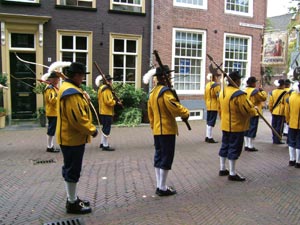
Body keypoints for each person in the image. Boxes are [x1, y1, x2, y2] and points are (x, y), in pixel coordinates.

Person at [56, 62, 98, 214]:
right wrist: (91, 129)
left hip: (70, 137)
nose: (83, 79)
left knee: (71, 168)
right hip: (72, 138)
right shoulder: (71, 92)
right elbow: (77, 118)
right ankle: (72, 203)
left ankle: (72, 198)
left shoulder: (72, 89)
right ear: (76, 76)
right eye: (81, 76)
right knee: (73, 169)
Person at [147, 65, 189, 196]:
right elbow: (174, 107)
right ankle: (162, 187)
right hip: (167, 130)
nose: (170, 78)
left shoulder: (153, 92)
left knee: (159, 156)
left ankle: (160, 185)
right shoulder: (165, 92)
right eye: (169, 76)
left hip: (157, 130)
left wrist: (154, 126)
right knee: (166, 157)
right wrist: (185, 113)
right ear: (164, 77)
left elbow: (151, 114)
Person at [218, 71, 257, 182]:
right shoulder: (239, 94)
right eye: (239, 79)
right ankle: (232, 172)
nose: (240, 81)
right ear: (236, 81)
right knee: (234, 148)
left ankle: (222, 168)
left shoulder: (223, 92)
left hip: (225, 124)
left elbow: (219, 109)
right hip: (237, 125)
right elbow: (245, 111)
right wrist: (254, 111)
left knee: (225, 145)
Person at [98, 74, 121, 151]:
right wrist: (115, 102)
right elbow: (108, 102)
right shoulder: (106, 89)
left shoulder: (101, 88)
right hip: (106, 112)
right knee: (107, 128)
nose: (111, 82)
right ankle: (105, 145)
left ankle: (102, 143)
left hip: (102, 111)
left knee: (104, 128)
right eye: (110, 80)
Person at [244, 76, 267, 151]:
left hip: (246, 111)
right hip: (254, 111)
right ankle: (250, 145)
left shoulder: (245, 90)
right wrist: (262, 91)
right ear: (253, 83)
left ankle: (246, 144)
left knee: (246, 128)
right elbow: (263, 98)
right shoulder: (255, 91)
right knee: (252, 128)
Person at [44, 71, 60, 153]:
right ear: (53, 79)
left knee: (52, 129)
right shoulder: (50, 88)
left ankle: (50, 145)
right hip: (53, 112)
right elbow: (52, 100)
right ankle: (49, 146)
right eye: (57, 79)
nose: (59, 80)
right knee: (51, 129)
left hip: (55, 112)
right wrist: (59, 97)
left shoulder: (53, 88)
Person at [285, 81, 300, 167]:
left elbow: (287, 111)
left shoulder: (291, 97)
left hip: (292, 123)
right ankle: (298, 162)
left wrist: (288, 120)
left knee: (291, 142)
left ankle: (292, 159)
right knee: (299, 143)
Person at [204, 73, 221, 143]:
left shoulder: (207, 85)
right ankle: (210, 137)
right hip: (214, 105)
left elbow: (205, 96)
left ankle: (207, 136)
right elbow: (218, 95)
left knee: (208, 121)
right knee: (211, 121)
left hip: (208, 104)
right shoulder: (216, 85)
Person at [268, 79, 286, 144]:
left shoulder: (273, 92)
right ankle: (278, 139)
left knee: (274, 125)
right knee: (279, 126)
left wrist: (271, 110)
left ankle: (274, 138)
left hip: (274, 111)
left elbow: (270, 103)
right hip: (281, 112)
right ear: (283, 85)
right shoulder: (285, 93)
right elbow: (286, 104)